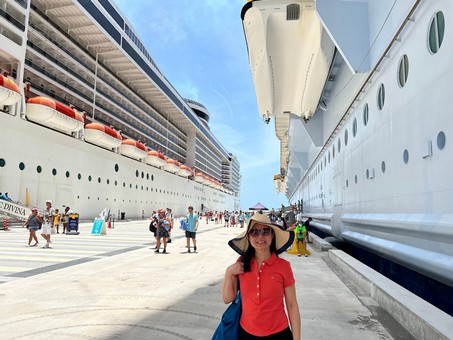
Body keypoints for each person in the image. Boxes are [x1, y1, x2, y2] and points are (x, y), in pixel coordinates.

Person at [222, 214, 301, 339]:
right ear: (248, 237)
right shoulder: (242, 263)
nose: (260, 236)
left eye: (265, 231)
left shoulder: (283, 266)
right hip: (246, 334)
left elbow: (292, 305)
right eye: (254, 232)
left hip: (279, 334)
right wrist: (228, 272)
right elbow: (227, 298)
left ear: (272, 235)